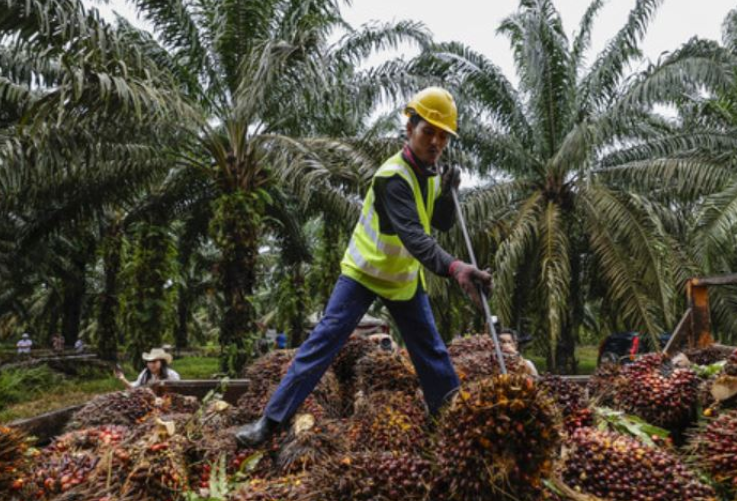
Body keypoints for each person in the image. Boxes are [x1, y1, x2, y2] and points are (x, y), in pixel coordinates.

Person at [235, 87, 492, 447]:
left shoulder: (432, 173)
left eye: (442, 136)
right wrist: (456, 268)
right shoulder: (393, 178)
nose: (435, 142)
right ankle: (270, 421)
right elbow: (416, 238)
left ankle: (450, 425)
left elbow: (441, 223)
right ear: (409, 129)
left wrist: (449, 193)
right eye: (427, 132)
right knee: (324, 341)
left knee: (431, 351)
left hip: (401, 280)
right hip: (364, 273)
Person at [114, 347, 181, 388]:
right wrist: (122, 378)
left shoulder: (172, 375)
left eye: (154, 361)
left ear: (161, 362)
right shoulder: (145, 374)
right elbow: (133, 388)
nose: (151, 364)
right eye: (149, 362)